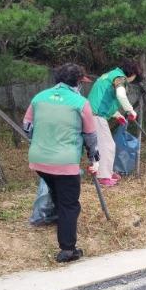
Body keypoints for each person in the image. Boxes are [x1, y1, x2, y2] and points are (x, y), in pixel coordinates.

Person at [23, 64, 99, 262]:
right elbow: (90, 135)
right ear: (78, 82)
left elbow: (27, 126)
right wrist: (93, 157)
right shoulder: (80, 103)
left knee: (57, 193)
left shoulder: (39, 97)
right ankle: (67, 249)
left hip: (39, 160)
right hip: (65, 162)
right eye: (82, 82)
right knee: (69, 204)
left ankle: (60, 219)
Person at [87, 60, 140, 186]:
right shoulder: (119, 78)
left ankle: (107, 172)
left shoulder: (109, 75)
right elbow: (121, 96)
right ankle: (103, 177)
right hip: (96, 115)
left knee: (104, 144)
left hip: (93, 112)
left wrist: (117, 115)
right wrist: (131, 111)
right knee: (107, 145)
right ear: (131, 74)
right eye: (134, 76)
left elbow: (105, 99)